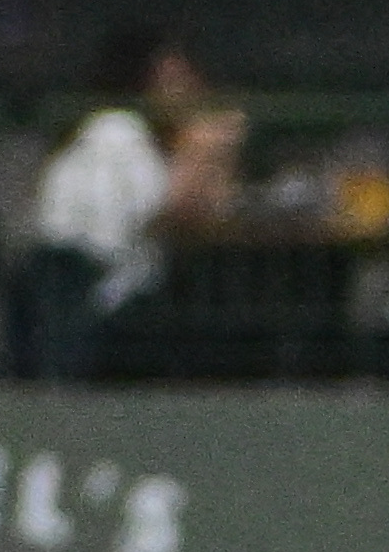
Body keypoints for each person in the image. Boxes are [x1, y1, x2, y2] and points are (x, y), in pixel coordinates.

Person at [12, 26, 240, 380]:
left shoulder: (143, 136)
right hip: (88, 291)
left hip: (111, 290)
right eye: (174, 80)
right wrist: (205, 150)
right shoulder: (116, 131)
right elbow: (172, 214)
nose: (190, 92)